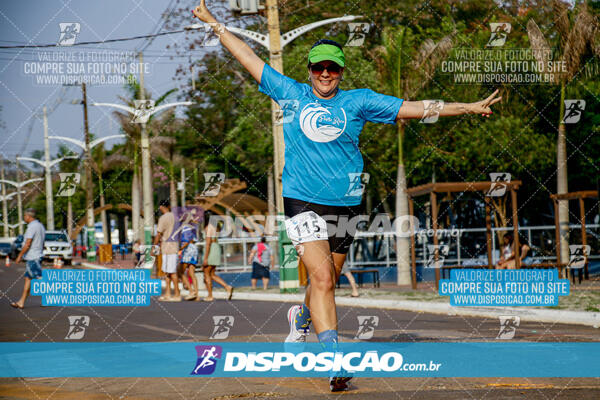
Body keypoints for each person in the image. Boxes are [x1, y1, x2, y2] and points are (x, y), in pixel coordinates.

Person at [192, 1, 501, 391]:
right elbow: (248, 57)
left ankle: (301, 321)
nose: (325, 74)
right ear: (309, 71)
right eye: (318, 67)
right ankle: (335, 361)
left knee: (329, 280)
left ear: (340, 72)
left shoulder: (359, 101)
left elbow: (415, 108)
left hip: (347, 204)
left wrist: (467, 107)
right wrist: (215, 24)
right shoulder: (289, 92)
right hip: (302, 199)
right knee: (321, 277)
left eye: (332, 68)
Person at [10, 208, 45, 309]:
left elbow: (28, 243)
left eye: (25, 216)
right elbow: (42, 243)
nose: (24, 218)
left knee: (39, 278)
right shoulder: (40, 226)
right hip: (37, 255)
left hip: (33, 257)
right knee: (28, 278)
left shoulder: (32, 227)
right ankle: (21, 302)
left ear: (29, 217)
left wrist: (19, 256)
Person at [202, 211, 234, 302]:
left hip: (211, 249)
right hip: (216, 248)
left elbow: (208, 243)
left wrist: (205, 258)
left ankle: (210, 295)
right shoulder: (216, 227)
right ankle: (227, 287)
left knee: (206, 273)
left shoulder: (208, 228)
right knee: (212, 274)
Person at [154, 200, 181, 301]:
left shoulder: (163, 218)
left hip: (167, 247)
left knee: (172, 272)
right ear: (169, 206)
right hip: (174, 246)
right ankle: (168, 293)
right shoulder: (176, 217)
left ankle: (177, 294)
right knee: (167, 272)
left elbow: (158, 234)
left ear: (161, 207)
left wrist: (154, 246)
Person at [180, 225, 199, 300]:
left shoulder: (185, 227)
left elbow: (187, 241)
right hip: (194, 248)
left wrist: (180, 248)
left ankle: (191, 292)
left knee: (180, 272)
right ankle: (196, 295)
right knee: (192, 273)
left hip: (188, 249)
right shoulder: (193, 227)